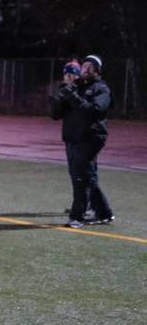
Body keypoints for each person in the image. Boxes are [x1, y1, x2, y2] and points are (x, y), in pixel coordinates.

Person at [49, 56, 114, 228]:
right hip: (72, 137)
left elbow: (95, 111)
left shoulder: (101, 89)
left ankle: (77, 216)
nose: (86, 69)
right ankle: (103, 212)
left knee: (80, 177)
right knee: (85, 176)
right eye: (85, 65)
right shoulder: (75, 87)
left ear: (97, 71)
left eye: (91, 67)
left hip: (92, 137)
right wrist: (58, 98)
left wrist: (73, 96)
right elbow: (56, 115)